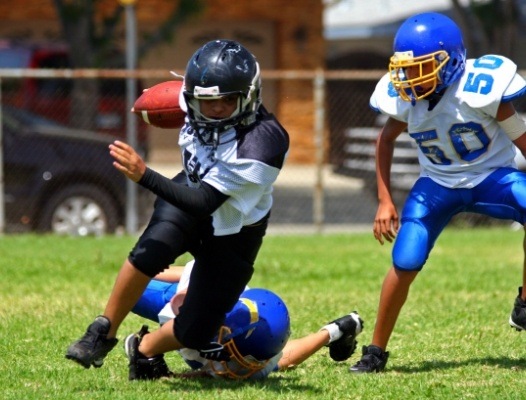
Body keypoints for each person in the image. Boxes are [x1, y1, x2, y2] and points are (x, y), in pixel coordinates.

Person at [65, 39, 291, 370]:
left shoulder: (264, 142)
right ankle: (102, 331)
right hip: (191, 188)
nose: (215, 109)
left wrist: (145, 175)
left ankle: (143, 349)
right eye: (206, 101)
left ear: (250, 96)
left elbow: (205, 203)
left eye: (228, 100)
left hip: (234, 224)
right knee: (150, 249)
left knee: (197, 330)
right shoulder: (190, 100)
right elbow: (169, 103)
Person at [349, 12, 526, 374]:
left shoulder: (482, 90)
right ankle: (375, 352)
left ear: (452, 61)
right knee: (406, 259)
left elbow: (522, 140)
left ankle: (525, 301)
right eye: (406, 69)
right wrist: (385, 199)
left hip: (493, 177)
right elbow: (384, 141)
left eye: (422, 67)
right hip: (438, 185)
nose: (410, 77)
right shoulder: (406, 100)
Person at [126, 259, 364, 380]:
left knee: (271, 366)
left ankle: (338, 330)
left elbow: (280, 359)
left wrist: (330, 333)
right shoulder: (209, 297)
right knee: (132, 288)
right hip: (183, 293)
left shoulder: (262, 349)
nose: (246, 364)